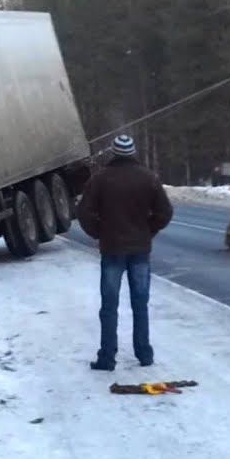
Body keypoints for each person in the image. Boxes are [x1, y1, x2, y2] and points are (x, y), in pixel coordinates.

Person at [76, 134, 173, 371]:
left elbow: (83, 212)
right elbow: (165, 212)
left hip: (112, 249)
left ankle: (107, 357)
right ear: (133, 153)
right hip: (140, 250)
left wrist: (99, 232)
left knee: (109, 305)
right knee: (140, 303)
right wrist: (148, 230)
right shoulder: (148, 178)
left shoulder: (100, 179)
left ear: (114, 153)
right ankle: (144, 354)